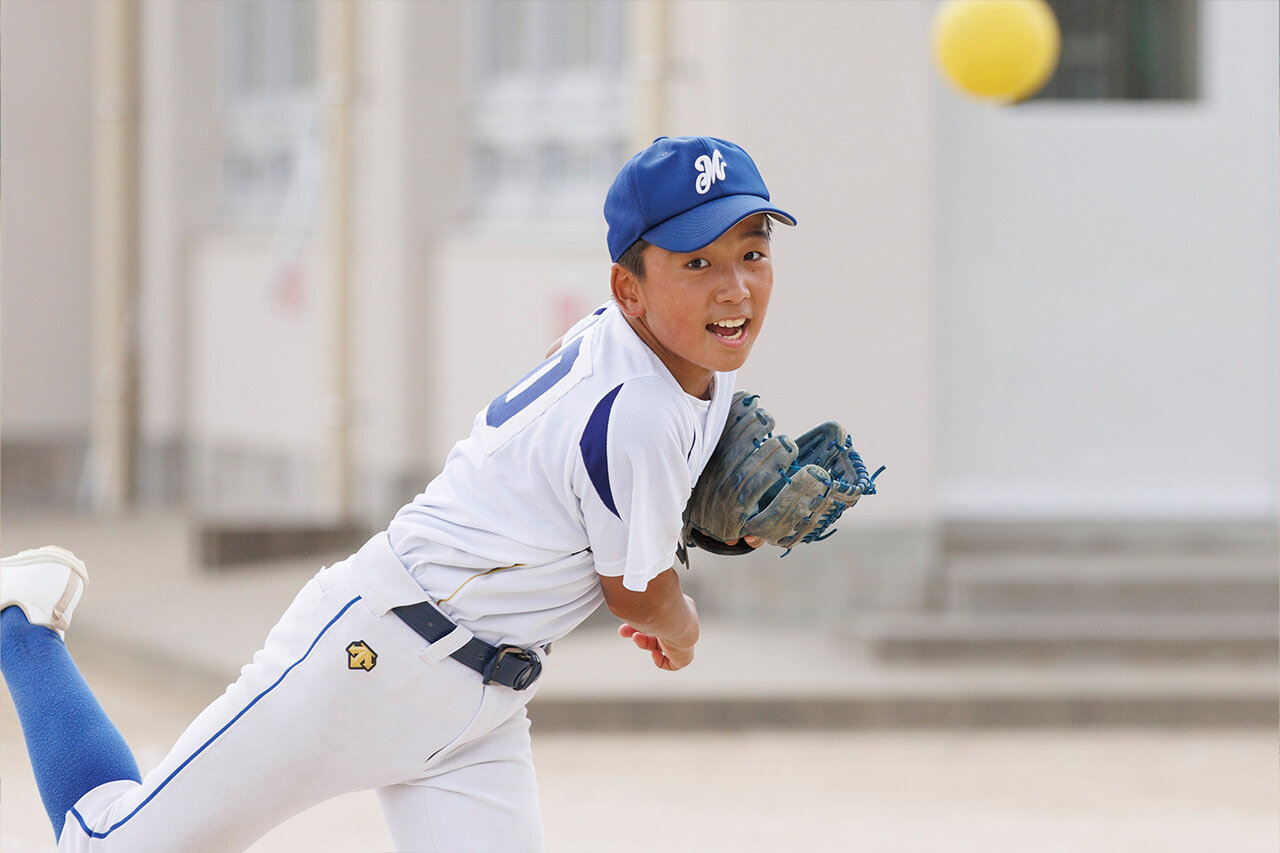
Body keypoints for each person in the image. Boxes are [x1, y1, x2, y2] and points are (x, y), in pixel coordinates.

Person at [0, 135, 795, 852]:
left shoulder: (672, 359)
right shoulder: (642, 411)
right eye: (697, 262)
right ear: (630, 289)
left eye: (751, 252)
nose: (734, 288)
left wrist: (719, 527)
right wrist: (680, 627)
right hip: (371, 657)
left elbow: (591, 482)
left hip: (482, 708)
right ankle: (23, 623)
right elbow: (637, 594)